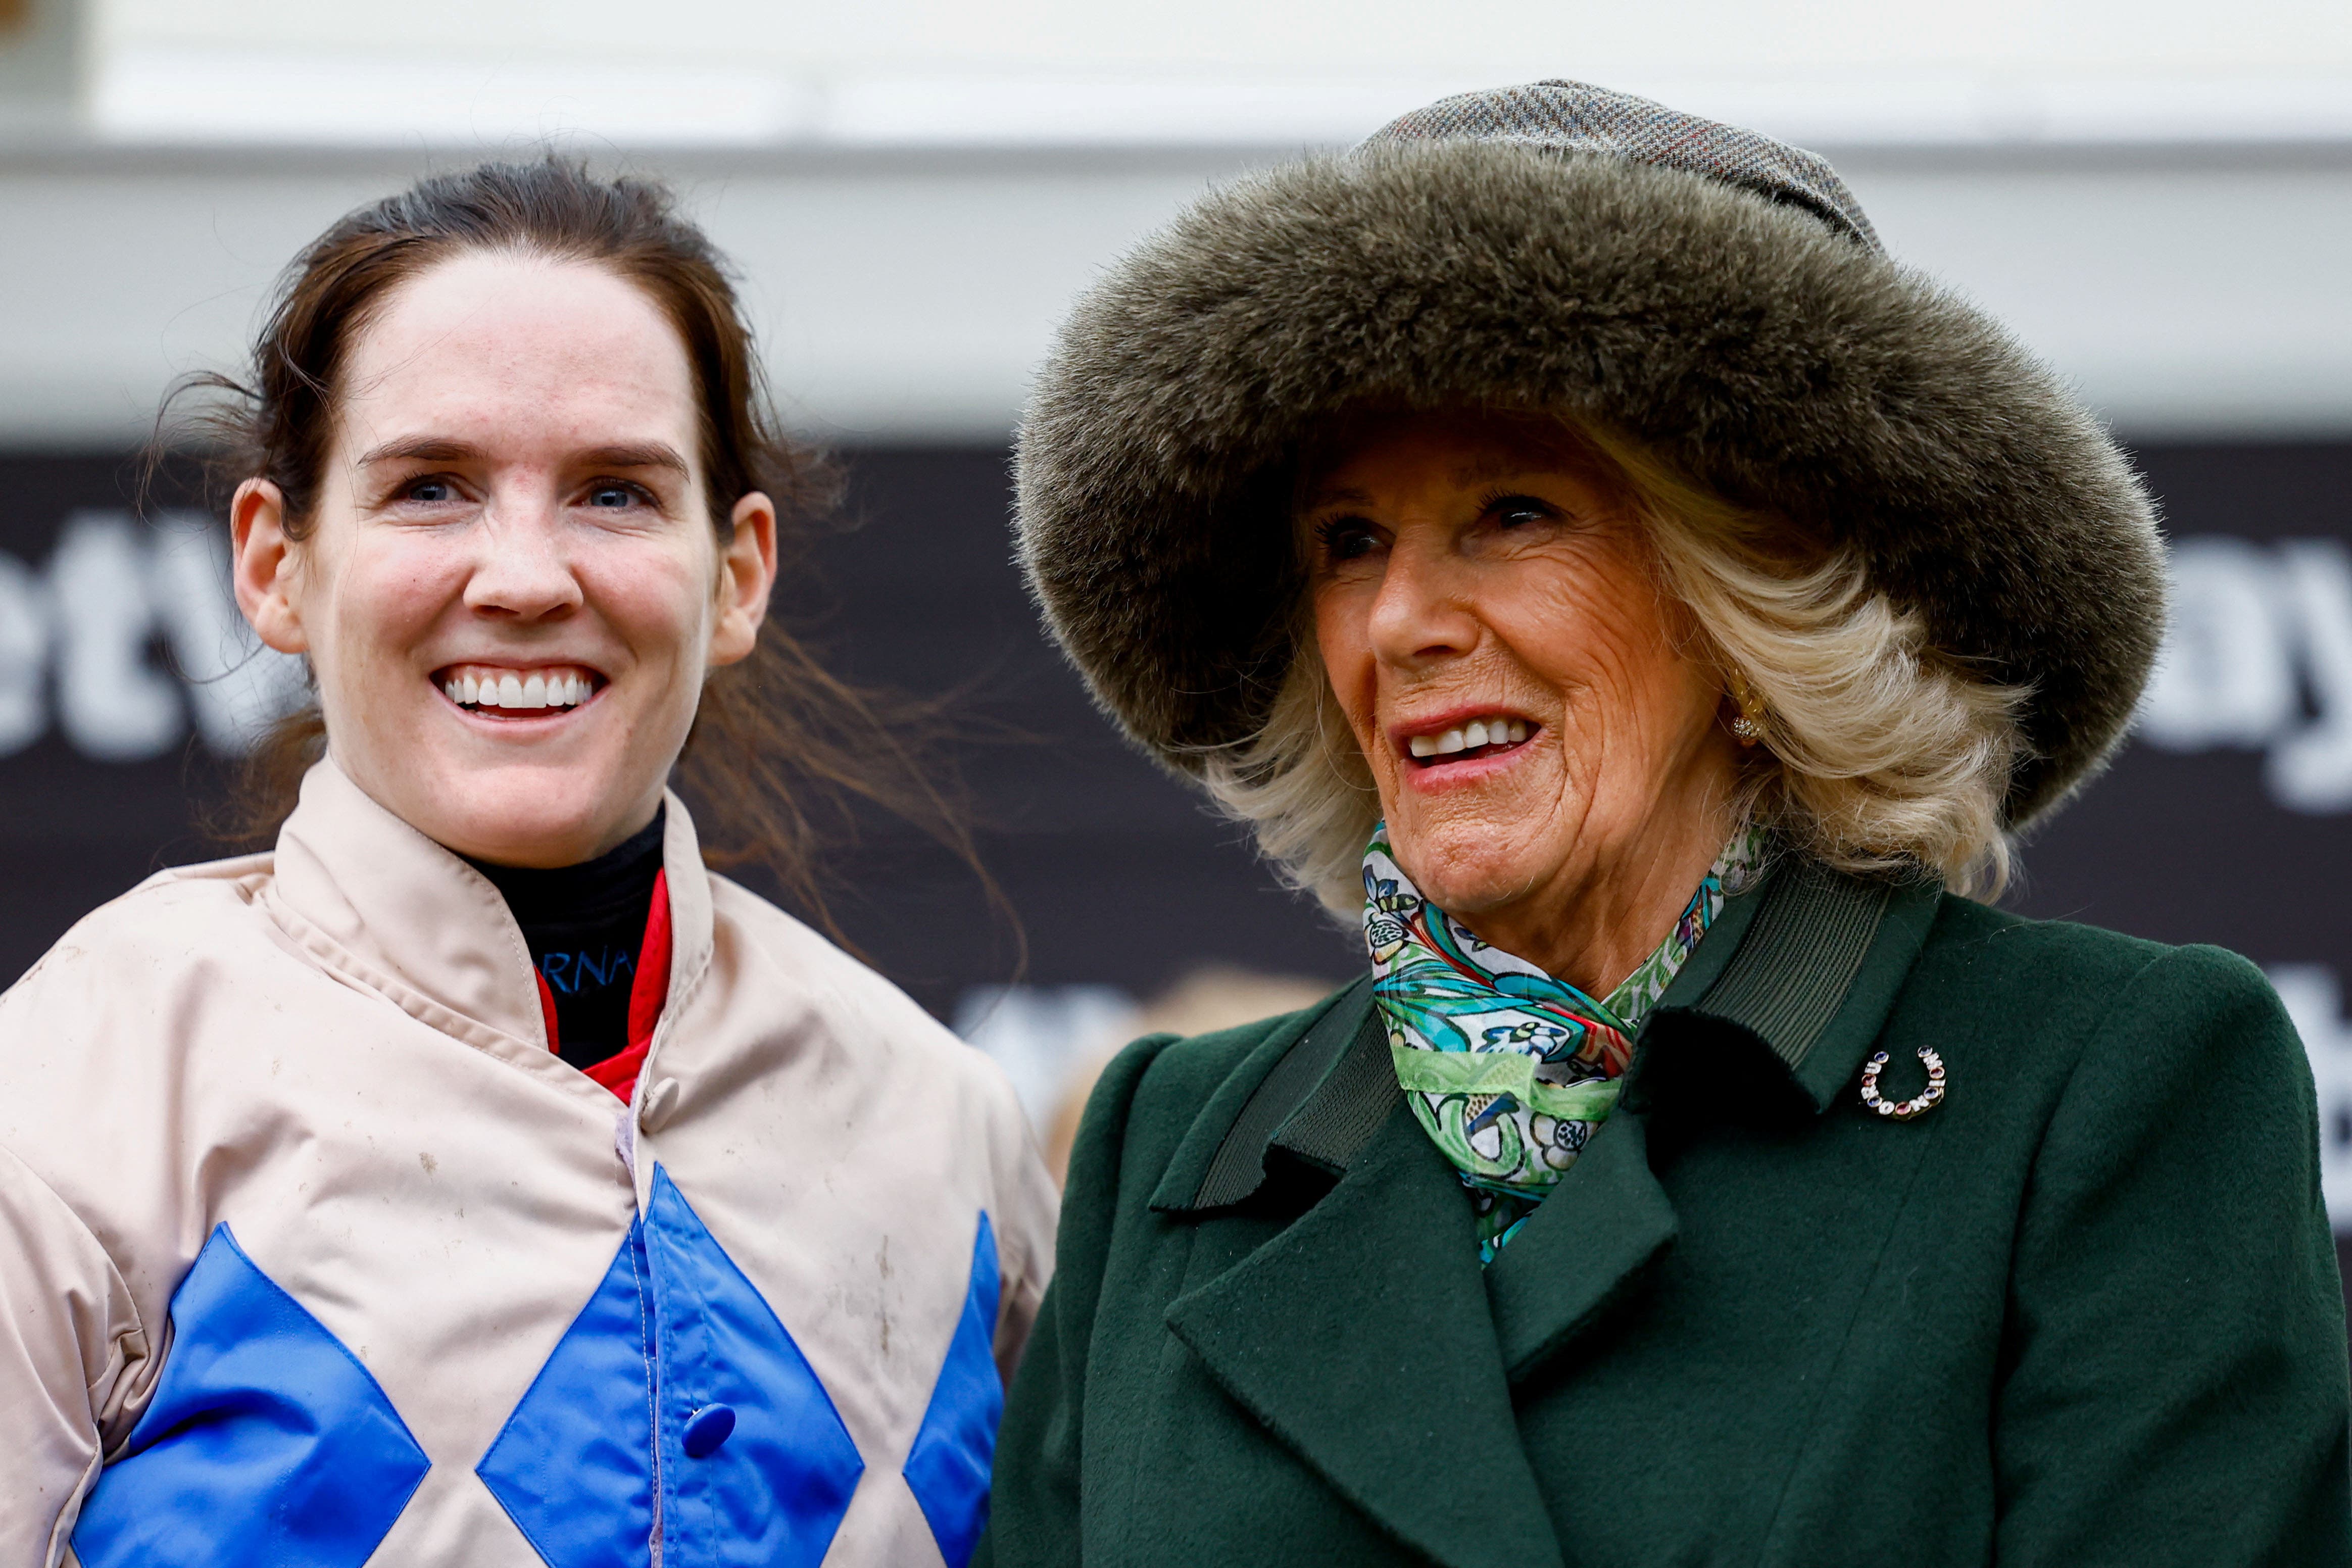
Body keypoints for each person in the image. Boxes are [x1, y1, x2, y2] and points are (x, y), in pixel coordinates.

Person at [984, 81, 2351, 1566]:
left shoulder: (2108, 1085)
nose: (1398, 620)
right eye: (1348, 540)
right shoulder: (1172, 1142)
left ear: (1752, 591)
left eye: (1513, 512)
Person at [0, 160, 1054, 1567]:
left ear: (736, 572)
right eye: (432, 488)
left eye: (615, 494)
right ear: (275, 564)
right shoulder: (81, 1089)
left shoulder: (948, 1133)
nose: (525, 577)